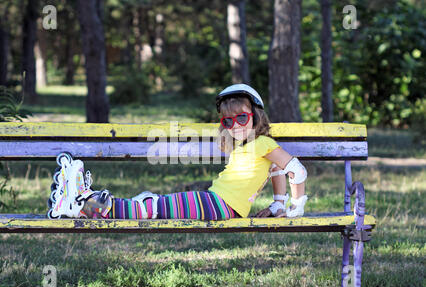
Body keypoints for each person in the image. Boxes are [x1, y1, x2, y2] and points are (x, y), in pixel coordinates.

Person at [47, 84, 308, 220]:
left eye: (241, 118)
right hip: (216, 203)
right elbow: (276, 170)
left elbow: (295, 169)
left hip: (219, 206)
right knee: (151, 205)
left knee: (151, 208)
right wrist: (276, 205)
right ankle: (83, 203)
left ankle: (83, 204)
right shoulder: (251, 147)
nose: (235, 126)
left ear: (256, 115)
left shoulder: (262, 144)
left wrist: (294, 208)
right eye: (227, 122)